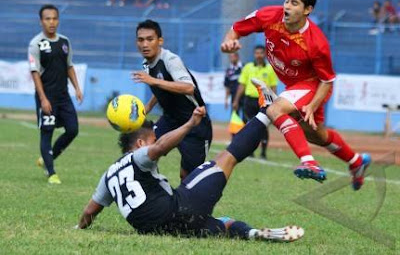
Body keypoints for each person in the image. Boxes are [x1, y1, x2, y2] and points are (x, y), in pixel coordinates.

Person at [75, 94, 304, 242]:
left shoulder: (108, 175)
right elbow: (160, 147)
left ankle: (252, 233)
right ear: (140, 143)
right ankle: (267, 111)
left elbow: (88, 213)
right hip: (178, 211)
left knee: (221, 224)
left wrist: (78, 228)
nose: (157, 140)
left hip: (163, 231)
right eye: (153, 138)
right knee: (226, 157)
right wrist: (190, 124)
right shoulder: (139, 155)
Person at [221, 0, 371, 190]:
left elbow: (327, 80)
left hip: (313, 85)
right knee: (317, 135)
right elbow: (236, 30)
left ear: (307, 10)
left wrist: (312, 105)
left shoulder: (317, 43)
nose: (287, 7)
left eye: (294, 3)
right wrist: (229, 42)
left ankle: (309, 162)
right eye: (286, 1)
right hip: (293, 85)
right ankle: (356, 161)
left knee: (275, 109)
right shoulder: (269, 16)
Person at [132, 19, 212, 180]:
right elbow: (163, 87)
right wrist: (148, 107)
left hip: (194, 123)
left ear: (160, 41)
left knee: (187, 178)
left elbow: (188, 87)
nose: (145, 44)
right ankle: (147, 189)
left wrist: (153, 81)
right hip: (169, 120)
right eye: (141, 40)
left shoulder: (170, 60)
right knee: (143, 149)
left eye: (150, 39)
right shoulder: (146, 64)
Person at [28, 4, 83, 184]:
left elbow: (69, 66)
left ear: (58, 20)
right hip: (47, 96)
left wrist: (77, 88)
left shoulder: (64, 42)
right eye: (47, 19)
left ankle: (46, 159)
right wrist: (43, 99)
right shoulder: (36, 44)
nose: (51, 22)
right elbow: (35, 73)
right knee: (47, 132)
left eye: (54, 18)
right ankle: (51, 172)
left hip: (63, 96)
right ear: (41, 21)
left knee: (73, 129)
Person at [233, 46, 278, 159]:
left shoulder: (270, 69)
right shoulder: (248, 67)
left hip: (264, 101)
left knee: (264, 126)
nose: (259, 55)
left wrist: (274, 103)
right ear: (254, 54)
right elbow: (242, 85)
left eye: (261, 53)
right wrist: (236, 100)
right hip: (249, 101)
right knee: (249, 126)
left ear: (265, 54)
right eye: (256, 53)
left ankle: (263, 152)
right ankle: (250, 151)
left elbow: (273, 87)